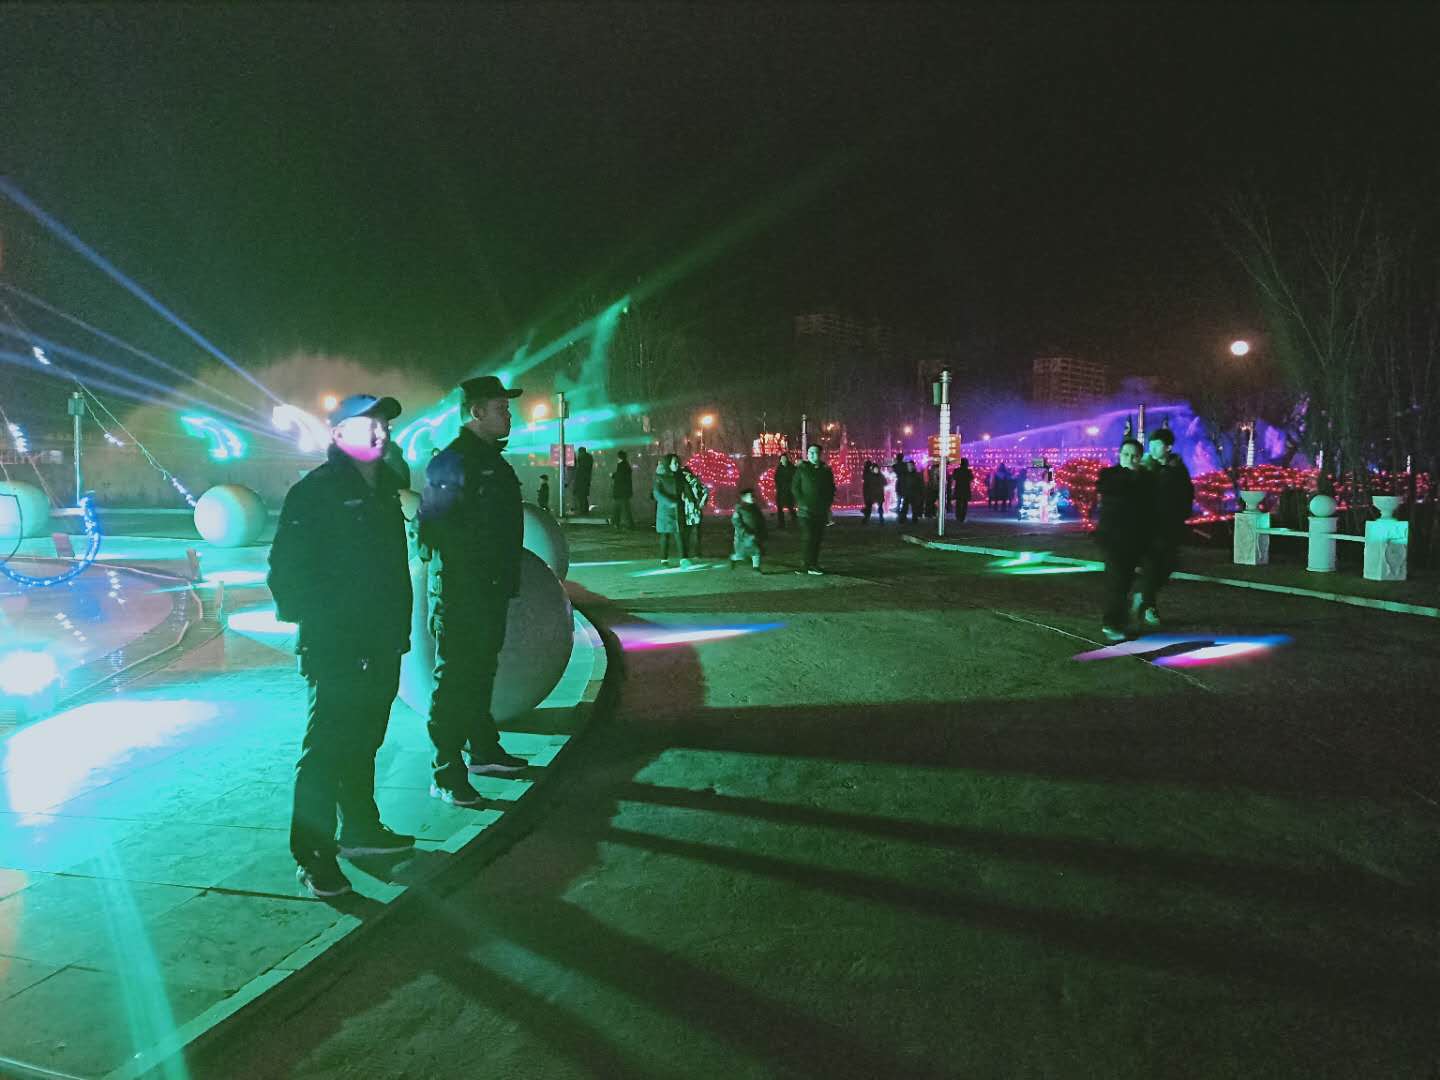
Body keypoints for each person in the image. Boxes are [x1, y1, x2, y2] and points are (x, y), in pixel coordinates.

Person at [268, 393, 414, 899]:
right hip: (337, 647)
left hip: (383, 641)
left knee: (366, 738)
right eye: (365, 424)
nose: (379, 432)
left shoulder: (385, 491)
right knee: (326, 750)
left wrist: (394, 631)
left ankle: (360, 828)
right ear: (336, 435)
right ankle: (313, 856)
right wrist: (331, 630)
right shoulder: (316, 492)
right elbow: (286, 573)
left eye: (383, 424)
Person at [417, 375, 529, 809]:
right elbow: (432, 530)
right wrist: (469, 575)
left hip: (488, 589)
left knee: (481, 671)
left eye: (508, 408)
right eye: (501, 408)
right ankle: (446, 771)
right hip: (462, 593)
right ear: (476, 412)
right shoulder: (453, 461)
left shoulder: (487, 460)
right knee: (455, 679)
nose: (509, 415)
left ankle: (483, 750)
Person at [1137, 426, 1195, 626]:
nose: (1152, 449)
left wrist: (1182, 516)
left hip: (1171, 525)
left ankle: (1145, 597)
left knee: (1169, 564)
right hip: (1149, 526)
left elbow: (1187, 494)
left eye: (1157, 445)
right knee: (1152, 565)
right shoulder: (1146, 468)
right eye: (1151, 445)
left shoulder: (1178, 469)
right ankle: (1149, 605)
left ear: (1168, 447)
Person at [1094, 439, 1151, 642]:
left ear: (1140, 457)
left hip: (1137, 539)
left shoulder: (1146, 478)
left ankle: (1123, 619)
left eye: (1135, 455)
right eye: (1126, 454)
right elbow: (1112, 492)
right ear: (1119, 455)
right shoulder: (1110, 475)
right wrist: (1131, 475)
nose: (1130, 459)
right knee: (1117, 582)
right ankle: (1111, 623)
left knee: (1126, 582)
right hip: (1114, 539)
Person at [792, 443, 836, 574]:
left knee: (817, 538)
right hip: (805, 511)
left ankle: (813, 564)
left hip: (820, 510)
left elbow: (831, 488)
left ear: (820, 454)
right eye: (810, 452)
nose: (811, 455)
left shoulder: (826, 470)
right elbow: (795, 487)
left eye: (814, 452)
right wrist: (801, 502)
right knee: (808, 536)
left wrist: (827, 503)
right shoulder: (802, 469)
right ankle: (805, 565)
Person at [653, 453, 684, 565]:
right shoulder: (660, 477)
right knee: (665, 535)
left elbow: (685, 488)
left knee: (679, 534)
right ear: (668, 464)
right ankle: (664, 559)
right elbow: (657, 493)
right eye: (674, 462)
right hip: (665, 511)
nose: (677, 464)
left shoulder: (679, 476)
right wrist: (670, 503)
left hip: (677, 510)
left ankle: (683, 558)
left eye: (677, 462)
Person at [678, 459, 710, 564]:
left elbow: (705, 491)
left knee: (696, 533)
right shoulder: (682, 484)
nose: (685, 476)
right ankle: (687, 553)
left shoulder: (696, 483)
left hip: (695, 511)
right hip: (686, 512)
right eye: (683, 475)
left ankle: (696, 553)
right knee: (686, 533)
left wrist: (702, 502)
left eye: (686, 474)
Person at [730, 487, 768, 571]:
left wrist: (763, 530)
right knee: (742, 555)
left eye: (753, 496)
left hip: (755, 534)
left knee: (756, 550)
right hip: (744, 535)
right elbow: (737, 522)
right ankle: (734, 558)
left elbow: (761, 520)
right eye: (750, 496)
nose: (753, 497)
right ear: (744, 498)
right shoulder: (739, 509)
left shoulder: (756, 508)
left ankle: (756, 567)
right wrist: (744, 532)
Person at [610, 449, 634, 529]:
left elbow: (620, 477)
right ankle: (618, 523)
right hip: (624, 491)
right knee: (623, 508)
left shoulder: (621, 465)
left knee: (622, 508)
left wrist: (613, 475)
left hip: (621, 491)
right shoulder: (625, 465)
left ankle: (623, 524)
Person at [773, 452, 797, 529]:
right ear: (780, 460)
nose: (784, 460)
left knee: (791, 507)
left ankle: (795, 522)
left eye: (785, 458)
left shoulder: (792, 468)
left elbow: (795, 478)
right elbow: (776, 479)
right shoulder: (779, 469)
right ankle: (781, 524)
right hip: (781, 491)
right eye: (782, 459)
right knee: (780, 508)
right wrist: (779, 486)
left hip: (789, 492)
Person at [570, 445, 594, 515]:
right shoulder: (588, 458)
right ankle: (584, 510)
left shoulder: (583, 460)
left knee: (580, 496)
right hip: (585, 480)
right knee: (583, 496)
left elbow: (579, 468)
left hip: (581, 481)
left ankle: (582, 510)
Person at [951, 458, 974, 522]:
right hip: (966, 489)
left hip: (958, 488)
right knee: (964, 504)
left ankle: (958, 516)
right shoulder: (968, 471)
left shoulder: (956, 470)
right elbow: (971, 478)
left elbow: (954, 477)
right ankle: (962, 517)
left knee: (958, 503)